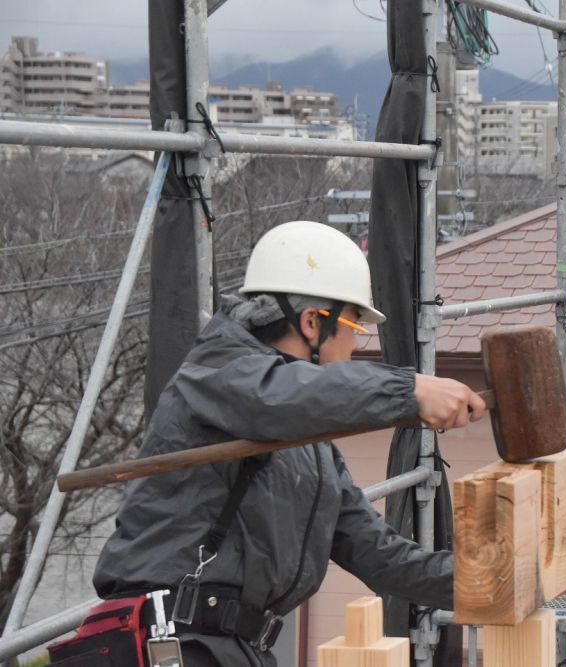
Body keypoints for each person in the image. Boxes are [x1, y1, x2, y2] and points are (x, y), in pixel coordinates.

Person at [91, 220, 488, 666]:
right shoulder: (221, 372)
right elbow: (280, 395)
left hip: (235, 646)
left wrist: (498, 579)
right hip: (172, 640)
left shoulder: (311, 446)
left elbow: (381, 557)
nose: (356, 349)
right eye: (355, 328)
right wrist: (407, 390)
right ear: (312, 322)